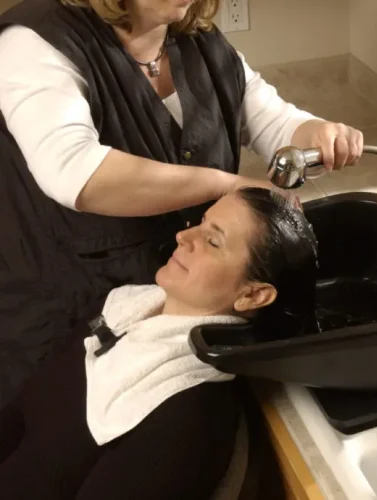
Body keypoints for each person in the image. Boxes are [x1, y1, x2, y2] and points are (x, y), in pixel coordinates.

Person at [0, 0, 362, 408]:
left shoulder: (199, 42)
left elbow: (273, 120)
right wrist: (223, 184)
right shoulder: (35, 43)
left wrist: (313, 132)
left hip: (166, 328)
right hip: (63, 319)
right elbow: (75, 171)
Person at [0, 186, 319, 500]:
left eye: (212, 241)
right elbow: (21, 411)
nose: (185, 236)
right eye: (202, 222)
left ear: (252, 295)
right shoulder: (118, 310)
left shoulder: (188, 419)